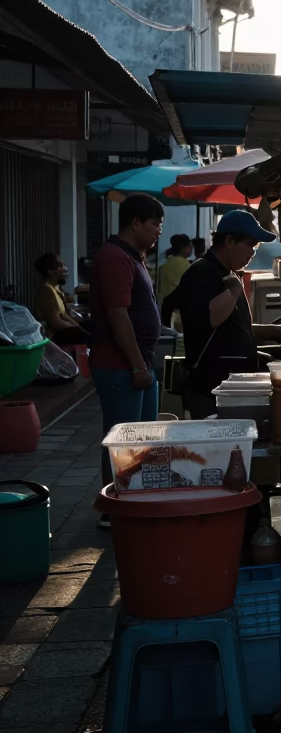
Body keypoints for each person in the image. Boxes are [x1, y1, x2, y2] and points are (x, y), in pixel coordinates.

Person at [89, 193, 165, 525]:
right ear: (135, 222)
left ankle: (135, 499)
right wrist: (136, 365)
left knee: (143, 439)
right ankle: (114, 508)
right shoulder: (115, 258)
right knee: (124, 441)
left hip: (140, 362)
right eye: (154, 224)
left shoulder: (133, 257)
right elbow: (118, 316)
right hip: (121, 367)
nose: (158, 230)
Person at [177, 210, 278, 417]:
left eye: (256, 247)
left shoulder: (227, 274)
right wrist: (234, 290)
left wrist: (274, 331)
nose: (253, 253)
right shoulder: (201, 273)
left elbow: (233, 327)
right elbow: (210, 319)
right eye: (250, 244)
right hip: (211, 390)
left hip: (232, 391)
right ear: (230, 241)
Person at [33, 253, 90, 344]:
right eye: (60, 266)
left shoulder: (56, 289)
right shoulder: (46, 292)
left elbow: (65, 314)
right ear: (50, 271)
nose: (65, 269)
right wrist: (76, 328)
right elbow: (55, 323)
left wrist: (79, 325)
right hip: (54, 339)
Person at [156, 234, 192, 326]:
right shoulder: (186, 265)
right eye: (189, 247)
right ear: (184, 248)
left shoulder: (164, 264)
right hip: (178, 309)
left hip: (163, 305)